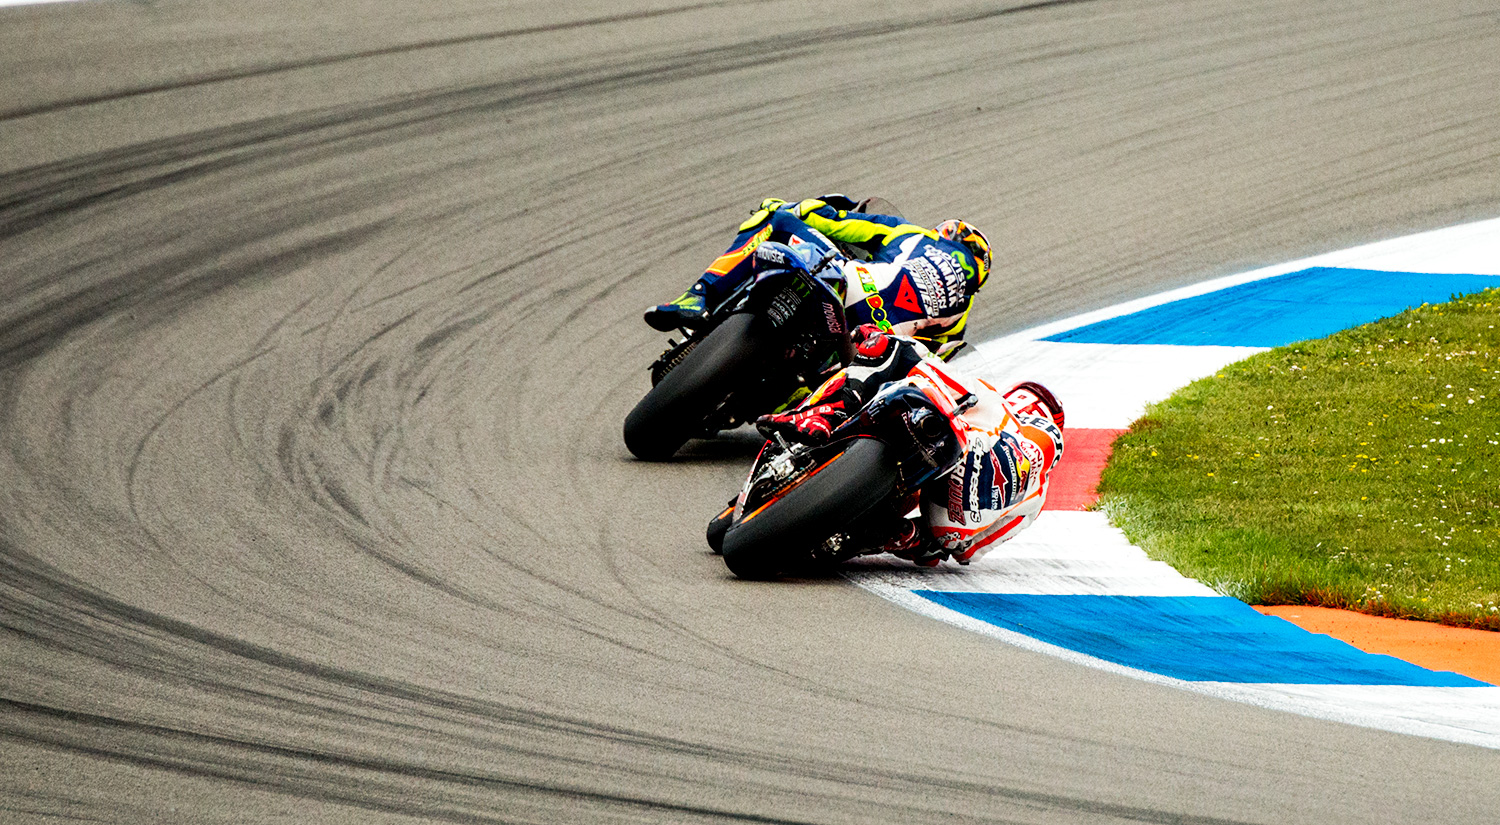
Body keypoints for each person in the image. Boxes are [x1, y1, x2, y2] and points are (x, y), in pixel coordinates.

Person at [756, 326, 1064, 567]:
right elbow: (972, 552)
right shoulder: (1037, 496)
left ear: (1019, 397)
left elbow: (930, 377)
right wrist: (926, 542)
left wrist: (877, 341)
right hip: (950, 521)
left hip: (955, 456)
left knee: (896, 350)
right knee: (930, 547)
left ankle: (823, 414)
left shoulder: (992, 398)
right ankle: (893, 535)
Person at [645, 195, 992, 349]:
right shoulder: (961, 314)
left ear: (946, 232)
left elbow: (831, 221)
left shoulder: (913, 234)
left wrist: (799, 207)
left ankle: (699, 296)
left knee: (776, 217)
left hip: (849, 286)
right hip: (871, 341)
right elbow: (934, 358)